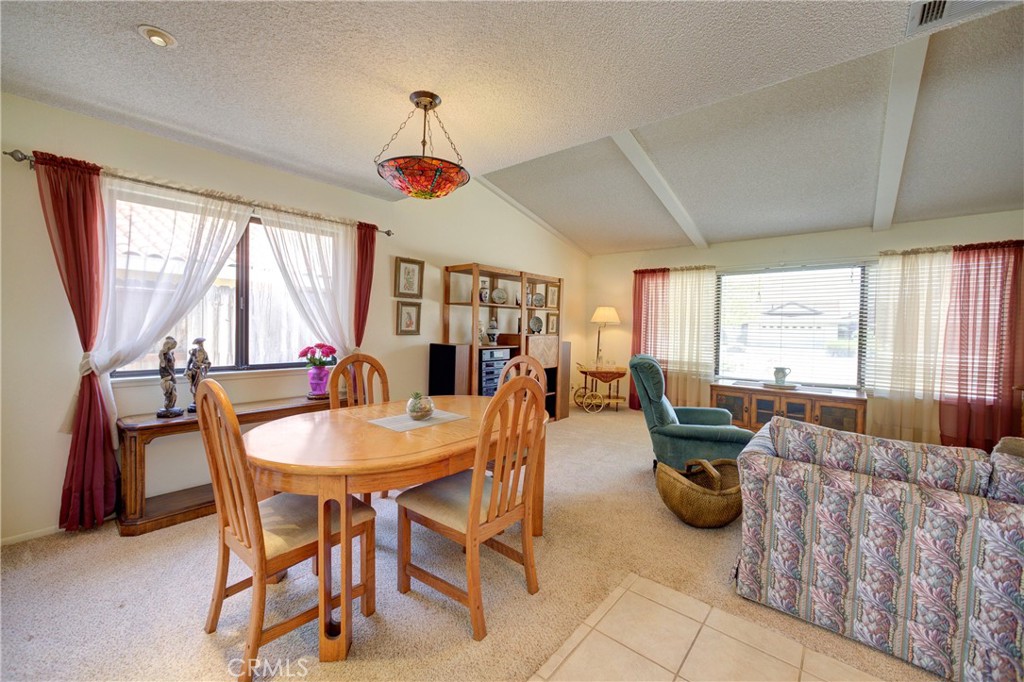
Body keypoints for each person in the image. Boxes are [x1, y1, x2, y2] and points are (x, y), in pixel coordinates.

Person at [157, 336, 184, 418]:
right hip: (167, 376)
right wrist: (172, 376)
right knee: (170, 392)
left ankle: (171, 406)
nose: (173, 347)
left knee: (174, 392)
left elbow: (172, 366)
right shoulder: (164, 355)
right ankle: (168, 405)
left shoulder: (170, 354)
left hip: (171, 375)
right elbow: (165, 367)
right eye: (173, 346)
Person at [184, 337, 211, 412]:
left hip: (201, 372)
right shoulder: (194, 351)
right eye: (200, 343)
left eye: (202, 343)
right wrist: (187, 369)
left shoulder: (204, 353)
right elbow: (189, 362)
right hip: (195, 371)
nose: (201, 345)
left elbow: (207, 362)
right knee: (196, 386)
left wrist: (206, 365)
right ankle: (196, 400)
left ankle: (200, 400)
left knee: (201, 386)